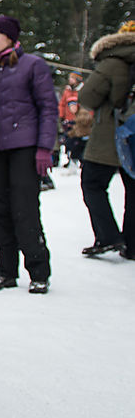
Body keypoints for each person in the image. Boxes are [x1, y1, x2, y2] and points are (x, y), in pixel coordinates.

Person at [0, 15, 57, 294]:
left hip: (24, 148)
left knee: (25, 210)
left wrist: (44, 148)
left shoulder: (33, 66)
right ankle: (5, 271)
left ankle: (38, 271)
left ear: (10, 37)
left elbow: (48, 108)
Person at [76, 21, 135, 259]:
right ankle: (132, 244)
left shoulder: (112, 62)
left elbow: (87, 97)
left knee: (92, 184)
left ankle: (108, 236)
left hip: (110, 136)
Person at [58, 71, 84, 167]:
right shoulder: (67, 91)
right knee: (68, 142)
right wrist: (61, 116)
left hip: (78, 121)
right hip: (68, 121)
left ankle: (79, 159)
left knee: (78, 142)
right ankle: (70, 159)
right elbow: (62, 104)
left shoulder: (82, 91)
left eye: (72, 78)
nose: (70, 80)